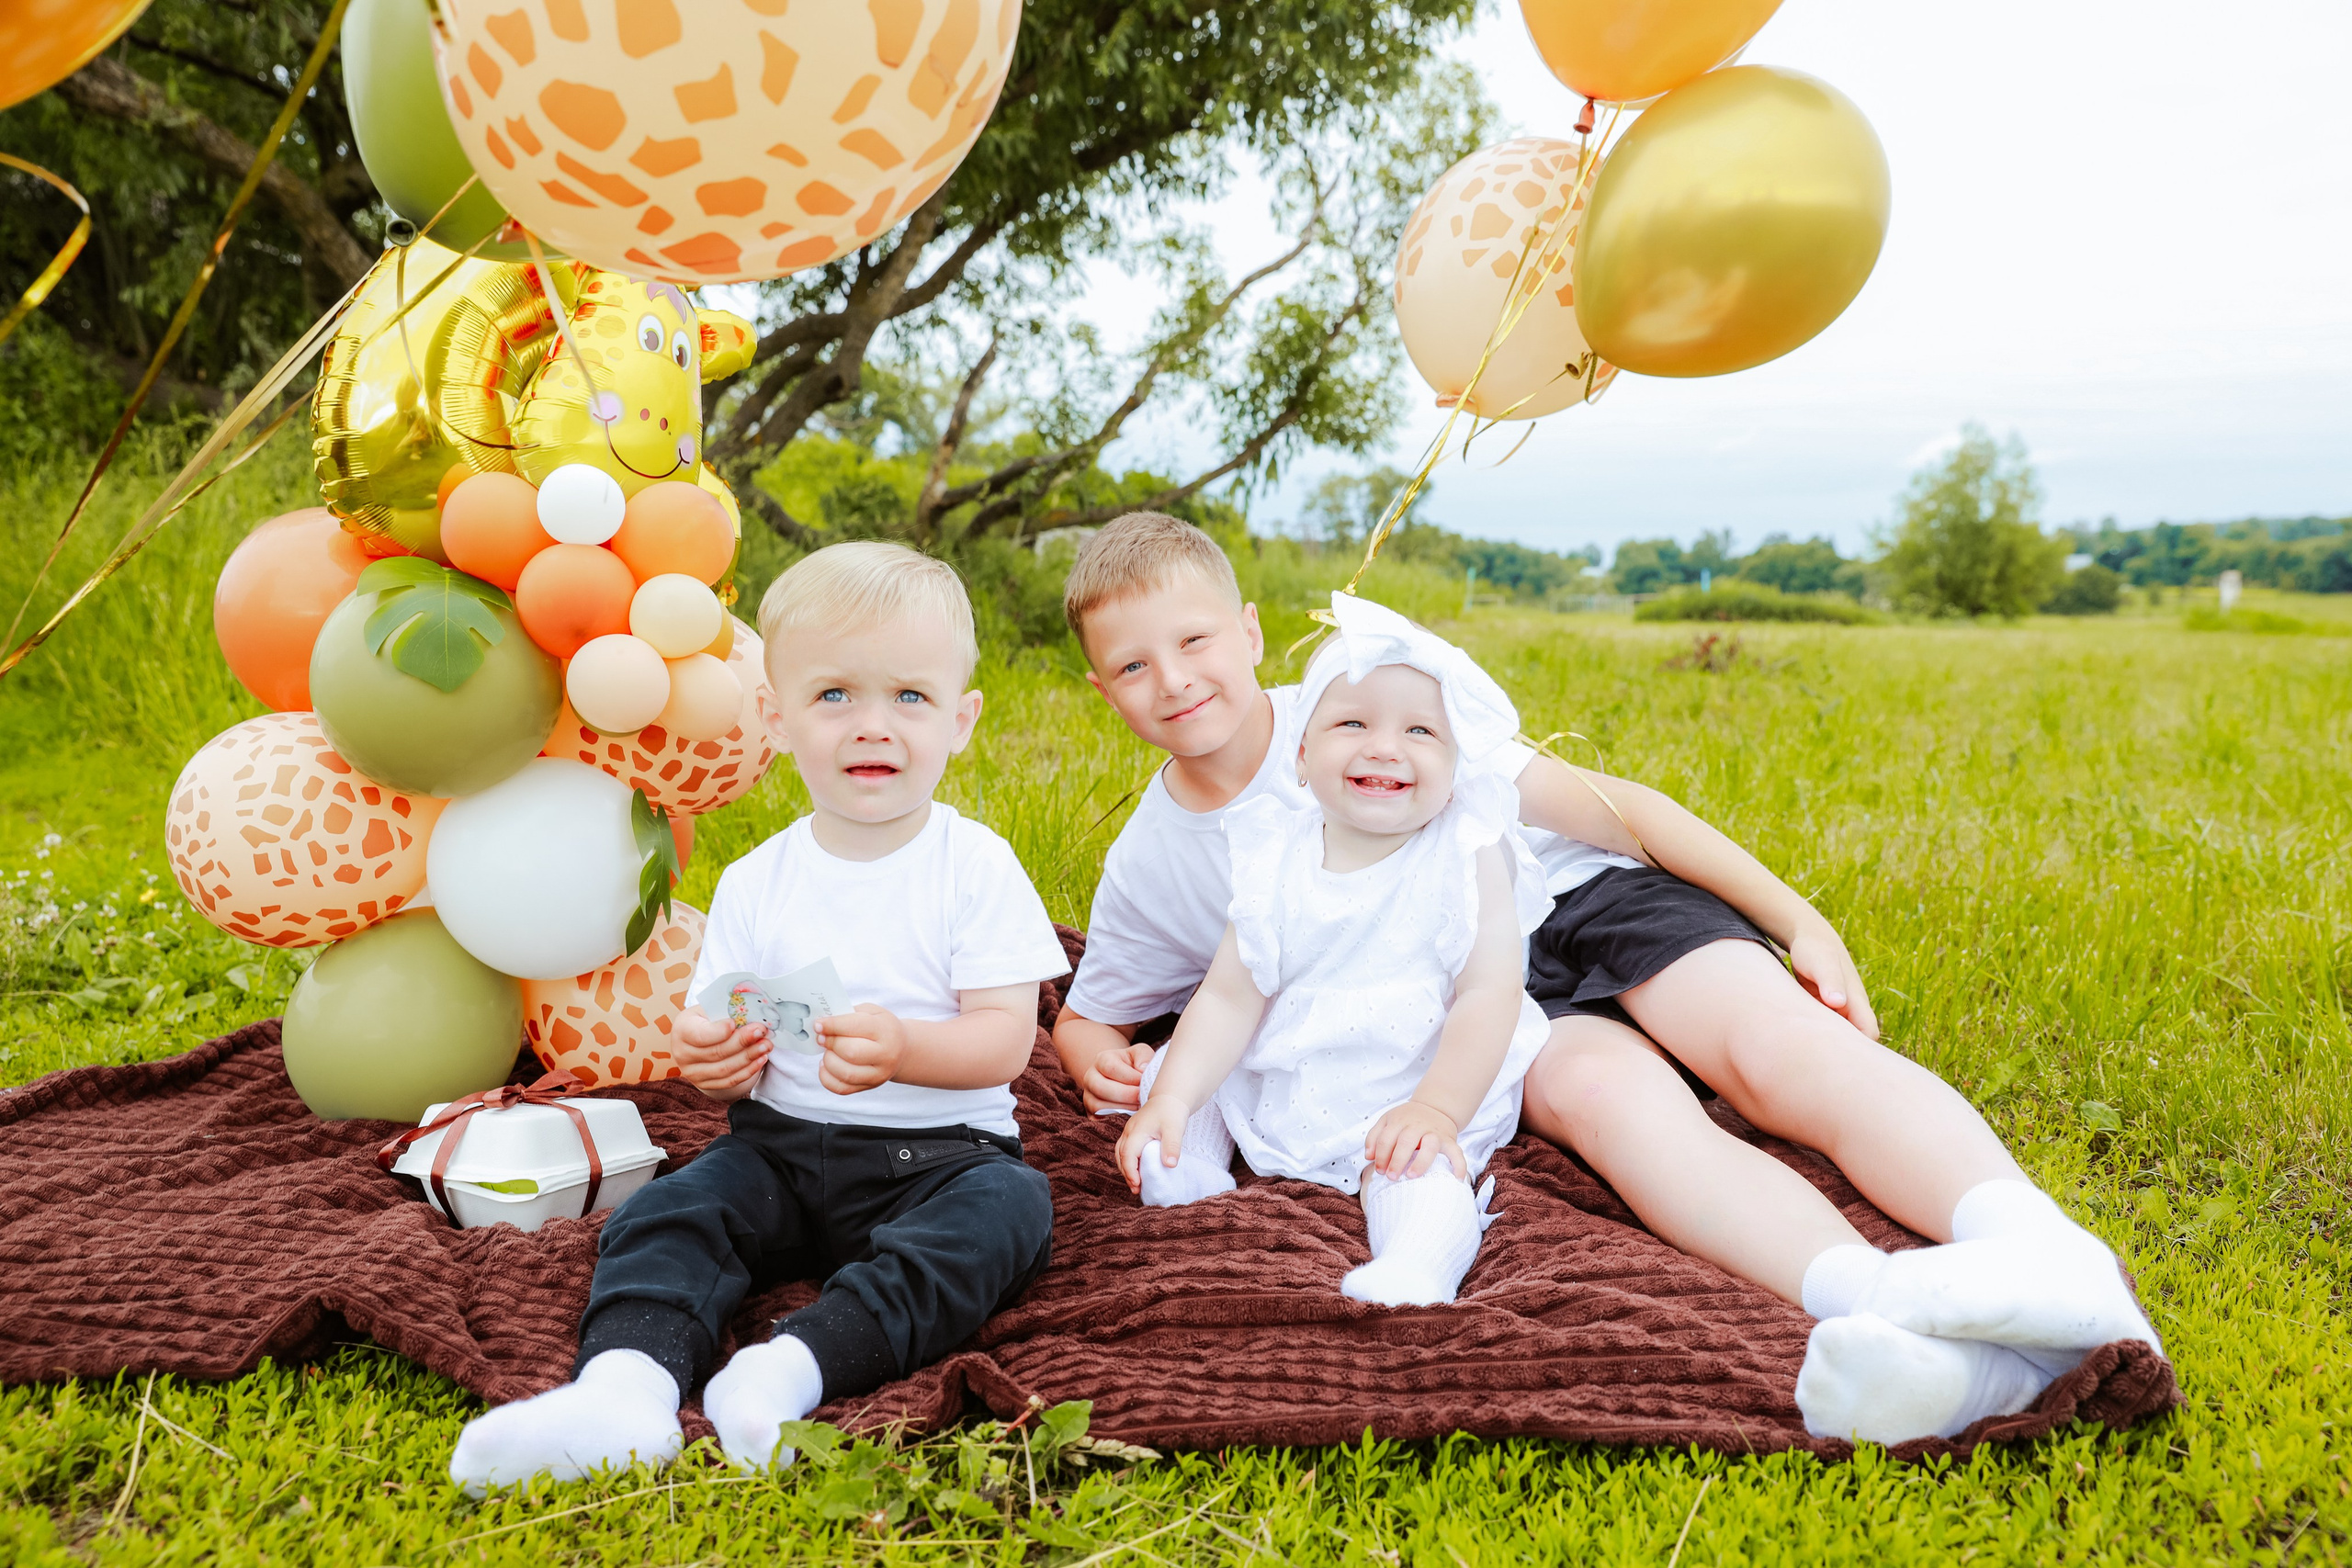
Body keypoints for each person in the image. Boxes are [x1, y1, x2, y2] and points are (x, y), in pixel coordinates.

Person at [1053, 513, 2159, 1445]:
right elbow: (1095, 1012)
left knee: (1769, 1050)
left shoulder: (1368, 696)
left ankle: (2045, 1253)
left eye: (1194, 639)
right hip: (1477, 994)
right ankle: (1874, 1306)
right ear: (1104, 690)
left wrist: (1795, 917)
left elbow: (1613, 811)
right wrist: (1116, 1067)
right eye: (1135, 665)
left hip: (1582, 897)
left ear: (1249, 632)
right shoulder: (1159, 854)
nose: (1176, 679)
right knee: (1611, 1103)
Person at [449, 542, 1069, 1492]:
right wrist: (714, 1057)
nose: (873, 726)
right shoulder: (759, 879)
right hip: (779, 1148)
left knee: (1010, 1214)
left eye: (909, 697)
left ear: (961, 721)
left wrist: (907, 1049)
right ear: (776, 719)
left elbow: (1006, 1044)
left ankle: (790, 1368)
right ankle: (626, 1387)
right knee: (671, 1210)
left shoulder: (972, 867)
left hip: (938, 1158)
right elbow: (717, 1038)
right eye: (834, 697)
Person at [1114, 596, 1553, 1306]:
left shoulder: (1465, 852)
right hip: (1285, 1056)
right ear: (1302, 753)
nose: (1384, 746)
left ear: (1457, 762)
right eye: (1352, 723)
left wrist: (1438, 1109)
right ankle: (1186, 1168)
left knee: (1415, 1166)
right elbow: (1229, 994)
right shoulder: (1275, 850)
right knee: (1184, 1068)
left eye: (1420, 730)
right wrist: (1171, 1096)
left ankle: (1417, 1263)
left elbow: (1489, 993)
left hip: (1414, 1072)